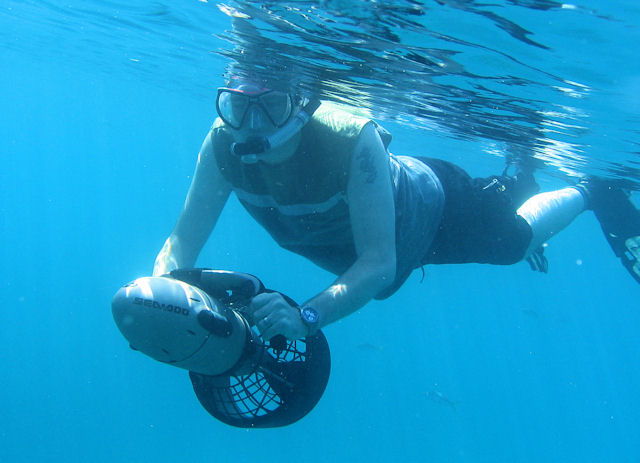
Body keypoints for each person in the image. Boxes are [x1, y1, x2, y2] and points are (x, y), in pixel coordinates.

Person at [153, 78, 640, 341]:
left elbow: (379, 264)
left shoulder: (350, 139)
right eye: (238, 108)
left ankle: (591, 190)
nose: (251, 126)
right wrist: (157, 295)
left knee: (515, 242)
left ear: (301, 103)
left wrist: (307, 315)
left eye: (272, 107)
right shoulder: (220, 146)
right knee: (506, 205)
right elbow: (183, 240)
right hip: (380, 248)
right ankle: (518, 179)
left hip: (436, 209)